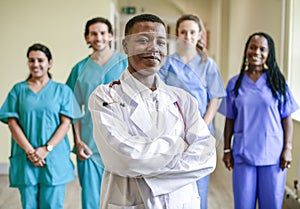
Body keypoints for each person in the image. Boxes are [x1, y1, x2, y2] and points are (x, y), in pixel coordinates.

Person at [88, 13, 216, 209]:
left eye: (161, 42)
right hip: (131, 200)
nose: (154, 48)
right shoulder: (106, 97)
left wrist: (148, 157)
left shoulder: (183, 100)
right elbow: (127, 158)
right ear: (125, 47)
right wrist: (179, 146)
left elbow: (206, 156)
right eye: (143, 40)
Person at [219, 32, 299, 209]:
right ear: (246, 50)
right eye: (253, 47)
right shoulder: (235, 83)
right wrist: (226, 149)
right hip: (243, 153)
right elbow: (230, 119)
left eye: (263, 49)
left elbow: (286, 118)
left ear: (269, 54)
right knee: (243, 204)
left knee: (271, 204)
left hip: (273, 156)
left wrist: (288, 148)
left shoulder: (277, 82)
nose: (257, 52)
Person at [0, 43, 82, 209]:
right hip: (26, 157)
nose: (35, 64)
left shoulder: (62, 91)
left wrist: (47, 149)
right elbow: (12, 122)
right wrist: (30, 151)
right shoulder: (18, 90)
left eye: (40, 60)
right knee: (28, 204)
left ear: (49, 62)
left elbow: (66, 123)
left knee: (52, 204)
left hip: (54, 157)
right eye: (31, 60)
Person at [158, 14, 226, 209]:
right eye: (183, 32)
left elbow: (215, 98)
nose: (187, 36)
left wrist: (201, 127)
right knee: (174, 185)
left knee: (199, 184)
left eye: (192, 32)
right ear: (177, 34)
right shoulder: (168, 63)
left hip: (200, 134)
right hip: (173, 133)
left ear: (199, 35)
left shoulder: (208, 64)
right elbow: (160, 96)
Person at [66, 17, 127, 209]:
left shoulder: (125, 64)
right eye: (93, 33)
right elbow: (73, 107)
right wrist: (78, 140)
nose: (98, 37)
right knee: (91, 197)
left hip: (121, 140)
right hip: (89, 142)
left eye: (102, 33)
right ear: (87, 37)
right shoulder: (79, 69)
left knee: (122, 197)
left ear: (110, 35)